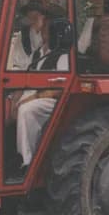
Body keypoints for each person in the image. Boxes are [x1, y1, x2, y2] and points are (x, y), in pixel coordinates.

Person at [13, 19, 71, 174]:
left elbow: (60, 89)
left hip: (53, 101)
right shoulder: (36, 54)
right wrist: (14, 101)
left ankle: (27, 161)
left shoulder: (63, 56)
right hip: (33, 95)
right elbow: (24, 78)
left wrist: (29, 99)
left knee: (26, 110)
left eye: (47, 29)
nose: (43, 32)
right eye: (43, 29)